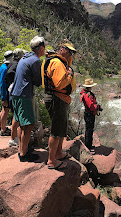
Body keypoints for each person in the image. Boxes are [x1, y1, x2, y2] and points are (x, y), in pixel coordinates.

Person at [42, 40, 76, 170]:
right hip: (56, 99)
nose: (71, 54)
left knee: (62, 128)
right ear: (61, 49)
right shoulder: (56, 63)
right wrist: (70, 75)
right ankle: (51, 160)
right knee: (56, 130)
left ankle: (59, 153)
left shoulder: (60, 62)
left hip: (60, 99)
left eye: (72, 52)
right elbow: (60, 83)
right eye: (69, 51)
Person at [11, 37, 45, 162]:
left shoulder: (24, 57)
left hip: (16, 94)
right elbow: (38, 81)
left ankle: (22, 149)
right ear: (41, 48)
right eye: (44, 48)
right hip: (24, 95)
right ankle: (24, 154)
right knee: (29, 124)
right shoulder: (35, 60)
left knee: (22, 124)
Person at [7, 48, 26, 146]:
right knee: (17, 116)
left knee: (16, 116)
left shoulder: (12, 63)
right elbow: (10, 74)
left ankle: (13, 139)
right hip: (15, 93)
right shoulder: (16, 65)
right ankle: (14, 139)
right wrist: (15, 84)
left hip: (12, 93)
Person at [80, 78, 102, 153]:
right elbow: (91, 106)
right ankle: (88, 148)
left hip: (88, 113)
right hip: (90, 114)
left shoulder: (85, 93)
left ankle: (88, 145)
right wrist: (97, 107)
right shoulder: (88, 95)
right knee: (89, 131)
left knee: (89, 130)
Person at [0, 51, 13, 136]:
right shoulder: (5, 68)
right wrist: (4, 97)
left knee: (3, 109)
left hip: (4, 92)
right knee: (5, 110)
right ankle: (3, 130)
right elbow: (2, 83)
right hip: (6, 92)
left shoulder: (3, 66)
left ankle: (1, 126)